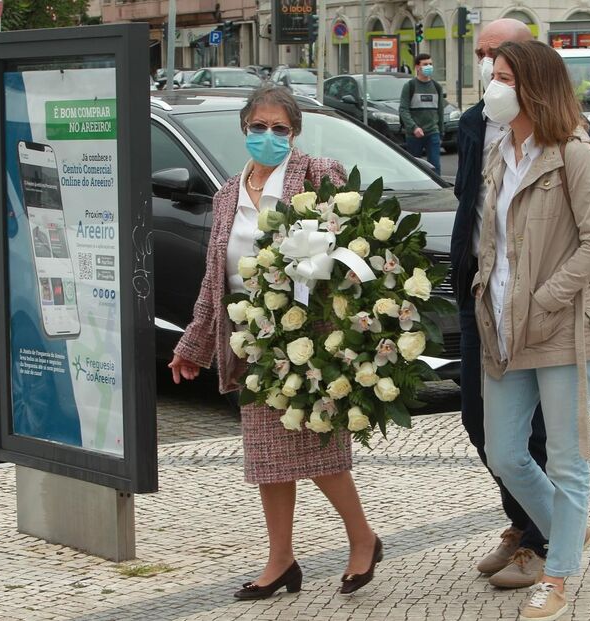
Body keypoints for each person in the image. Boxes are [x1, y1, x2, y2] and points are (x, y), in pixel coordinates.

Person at [168, 85, 382, 599]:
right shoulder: (227, 194)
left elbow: (354, 246)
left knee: (320, 444)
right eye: (259, 127)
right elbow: (215, 280)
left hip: (311, 336)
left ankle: (362, 539)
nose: (268, 136)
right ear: (244, 129)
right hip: (253, 339)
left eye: (279, 128)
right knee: (268, 455)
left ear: (295, 132)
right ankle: (281, 560)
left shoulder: (319, 176)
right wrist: (193, 344)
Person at [450, 18, 590, 590]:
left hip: (559, 327)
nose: (492, 84)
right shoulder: (500, 152)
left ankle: (558, 575)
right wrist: (482, 291)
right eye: (492, 73)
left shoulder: (576, 153)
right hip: (500, 325)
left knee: (567, 459)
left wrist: (547, 296)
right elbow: (487, 233)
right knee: (504, 452)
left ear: (534, 88)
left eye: (504, 76)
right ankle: (565, 527)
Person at [399, 53, 445, 174]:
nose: (429, 66)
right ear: (417, 67)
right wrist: (414, 128)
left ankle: (436, 186)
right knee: (414, 166)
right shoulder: (410, 86)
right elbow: (403, 109)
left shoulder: (437, 87)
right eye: (425, 64)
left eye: (430, 64)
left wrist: (441, 132)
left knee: (435, 166)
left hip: (433, 133)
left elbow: (440, 111)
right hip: (414, 135)